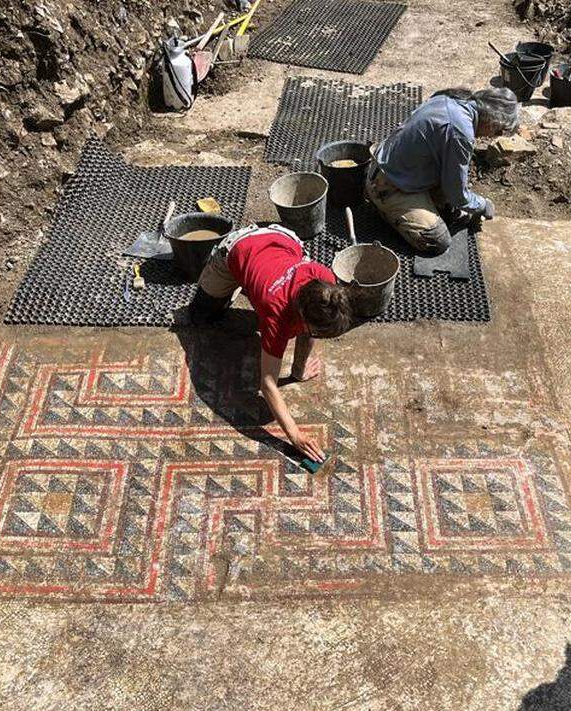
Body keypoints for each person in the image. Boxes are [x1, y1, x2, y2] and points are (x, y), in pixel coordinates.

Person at [183, 224, 353, 463]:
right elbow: (267, 384)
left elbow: (310, 329)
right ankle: (236, 281)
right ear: (300, 314)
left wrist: (298, 370)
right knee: (201, 316)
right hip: (238, 246)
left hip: (283, 238)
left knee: (268, 295)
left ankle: (250, 281)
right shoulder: (277, 316)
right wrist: (295, 436)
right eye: (313, 329)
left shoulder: (326, 283)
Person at [367, 87, 520, 254]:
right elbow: (457, 196)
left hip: (395, 167)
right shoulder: (460, 132)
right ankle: (386, 209)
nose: (493, 136)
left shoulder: (451, 98)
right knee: (437, 241)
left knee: (450, 209)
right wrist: (482, 205)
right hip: (387, 184)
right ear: (491, 122)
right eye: (497, 131)